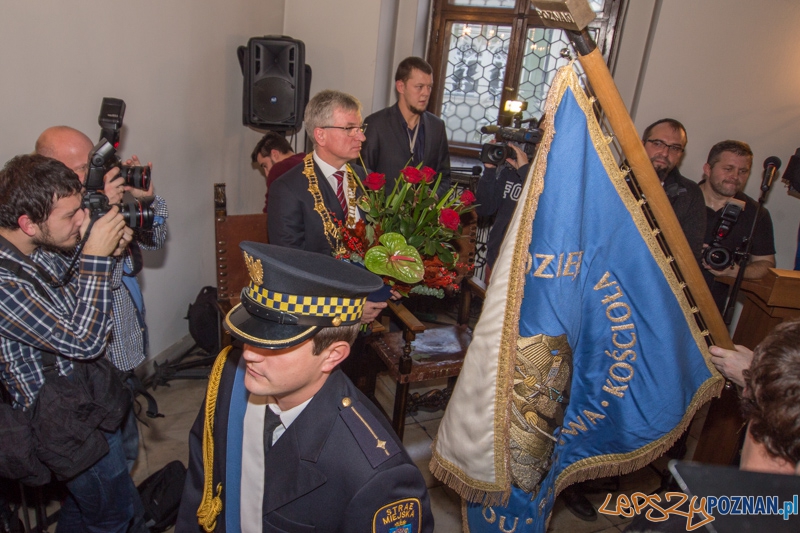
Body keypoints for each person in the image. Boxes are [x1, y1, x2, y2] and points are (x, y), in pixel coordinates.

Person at [177, 242, 434, 532]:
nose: (249, 353)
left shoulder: (375, 475)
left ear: (332, 355)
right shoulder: (231, 376)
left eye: (274, 343)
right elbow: (202, 483)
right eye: (250, 334)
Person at [0, 154, 141, 532]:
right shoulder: (3, 281)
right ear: (28, 223)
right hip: (63, 425)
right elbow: (85, 341)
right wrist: (96, 259)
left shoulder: (33, 249)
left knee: (87, 509)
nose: (82, 219)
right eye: (70, 215)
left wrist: (106, 252)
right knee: (113, 515)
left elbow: (69, 284)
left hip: (85, 400)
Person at [36, 125, 169, 472]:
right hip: (91, 370)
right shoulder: (54, 223)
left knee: (127, 449)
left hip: (122, 351)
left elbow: (155, 241)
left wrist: (145, 201)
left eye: (95, 161)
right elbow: (85, 288)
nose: (98, 171)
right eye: (84, 167)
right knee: (106, 466)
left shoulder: (99, 200)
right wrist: (100, 217)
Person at [267, 89, 387, 325]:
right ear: (320, 135)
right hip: (316, 320)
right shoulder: (288, 189)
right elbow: (291, 269)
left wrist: (391, 280)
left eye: (360, 128)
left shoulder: (366, 179)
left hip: (369, 306)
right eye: (350, 128)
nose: (361, 137)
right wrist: (346, 308)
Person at [699, 140, 776, 311]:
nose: (735, 176)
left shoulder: (756, 214)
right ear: (708, 169)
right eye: (728, 169)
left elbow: (766, 263)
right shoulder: (683, 199)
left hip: (711, 308)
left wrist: (737, 271)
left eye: (743, 171)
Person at [361, 57, 451, 194]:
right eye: (419, 87)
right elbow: (364, 176)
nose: (426, 93)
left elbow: (444, 177)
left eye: (429, 87)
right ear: (400, 87)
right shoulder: (376, 125)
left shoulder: (437, 126)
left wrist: (434, 198)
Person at [641, 118, 706, 262]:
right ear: (642, 144)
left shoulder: (691, 194)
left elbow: (689, 255)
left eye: (675, 148)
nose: (665, 153)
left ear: (680, 155)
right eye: (658, 143)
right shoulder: (613, 180)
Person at [475, 143, 529, 281]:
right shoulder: (508, 171)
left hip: (524, 264)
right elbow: (485, 209)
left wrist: (525, 171)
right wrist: (490, 170)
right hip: (496, 257)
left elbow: (543, 205)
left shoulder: (547, 176)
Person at [251, 131, 305, 212]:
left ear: (275, 154)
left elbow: (270, 212)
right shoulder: (310, 161)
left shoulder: (278, 170)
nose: (267, 174)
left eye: (265, 165)